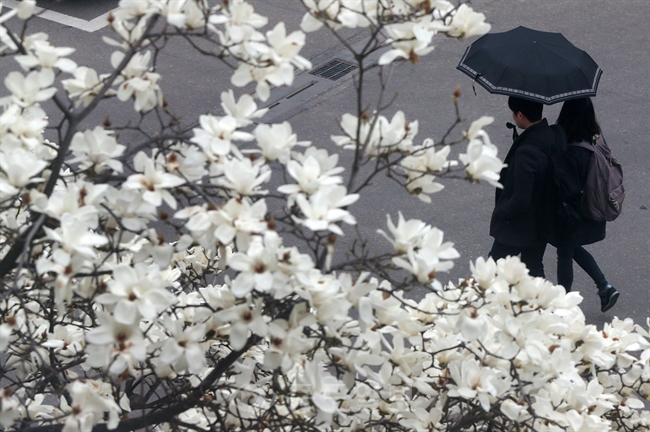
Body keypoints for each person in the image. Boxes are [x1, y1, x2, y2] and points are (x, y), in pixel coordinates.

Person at [555, 97, 619, 312]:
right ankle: (605, 287)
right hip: (591, 209)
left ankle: (564, 304)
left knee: (565, 250)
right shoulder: (595, 138)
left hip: (575, 213)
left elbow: (568, 188)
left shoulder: (574, 150)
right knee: (569, 247)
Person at [488, 96, 562, 278]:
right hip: (542, 219)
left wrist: (500, 212)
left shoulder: (526, 151)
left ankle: (475, 304)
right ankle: (547, 306)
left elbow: (521, 198)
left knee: (491, 270)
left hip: (519, 225)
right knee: (533, 266)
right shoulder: (551, 134)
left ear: (520, 115)